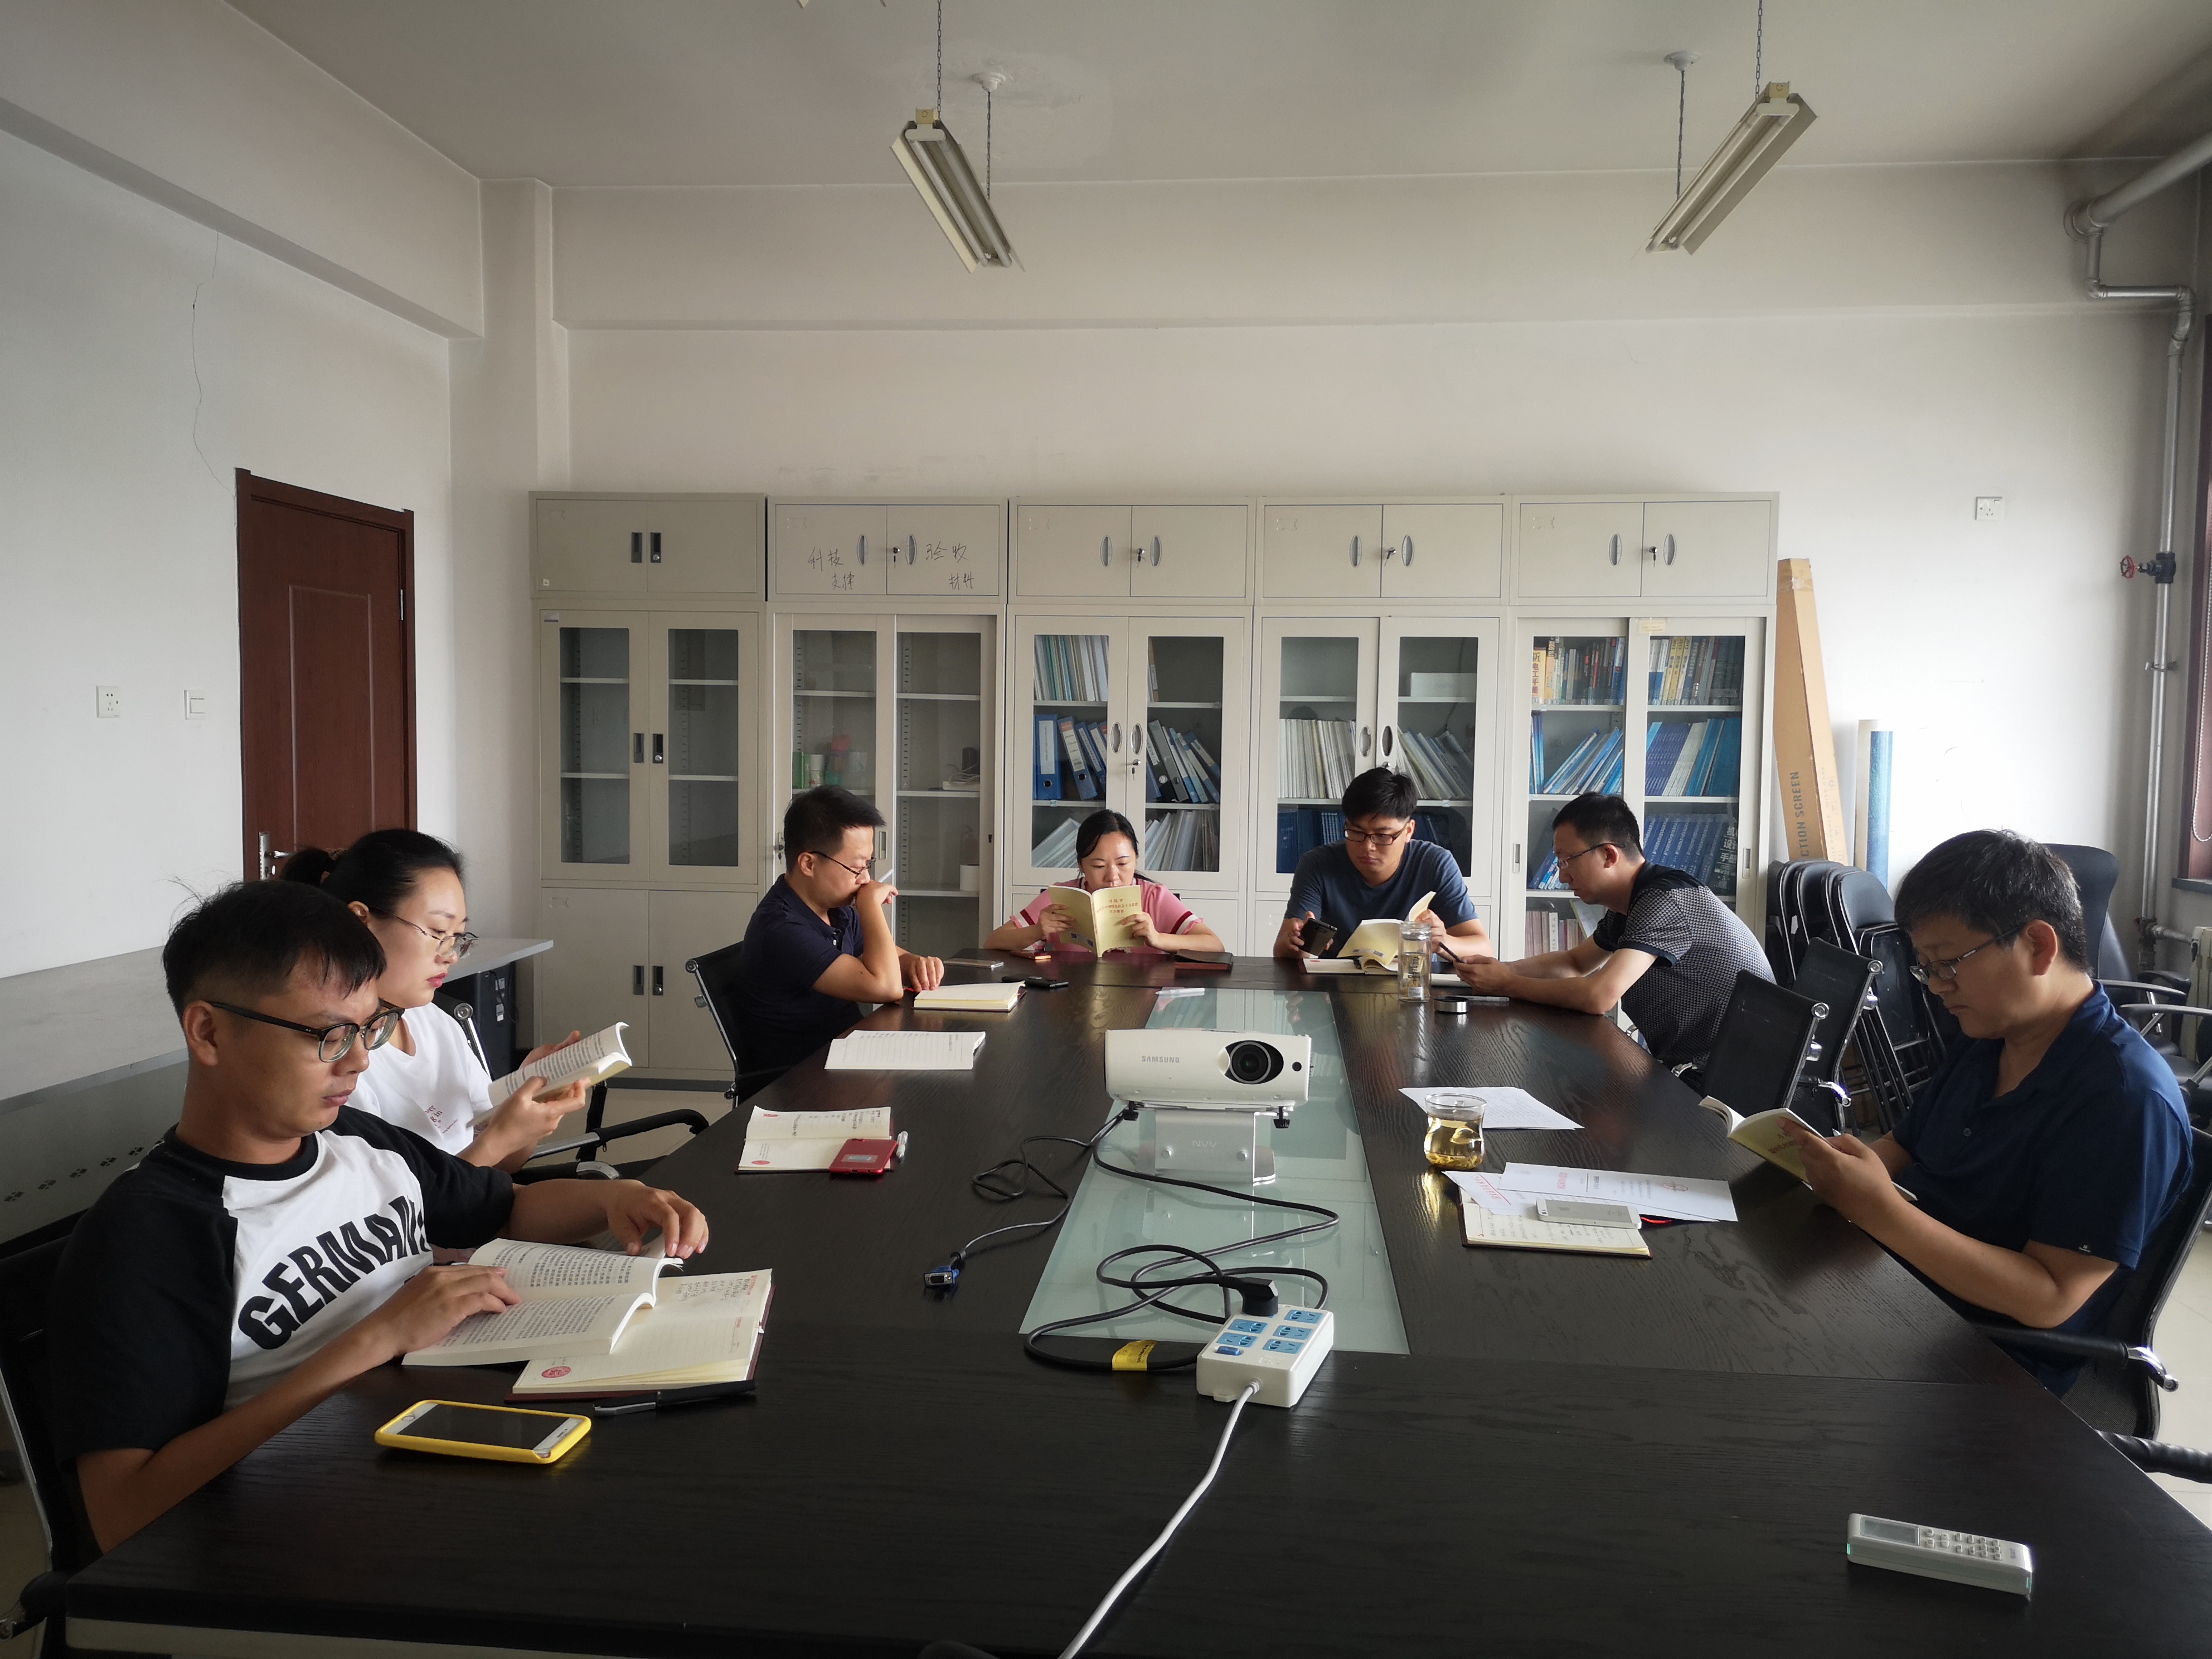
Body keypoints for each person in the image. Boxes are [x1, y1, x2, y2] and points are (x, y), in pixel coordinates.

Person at [48, 880, 710, 1551]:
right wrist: (378, 1337)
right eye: (330, 1035)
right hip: (296, 1529)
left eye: (369, 1029)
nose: (361, 1061)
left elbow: (505, 1209)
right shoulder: (151, 1233)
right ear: (209, 1031)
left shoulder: (357, 1141)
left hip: (428, 1450)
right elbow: (123, 1512)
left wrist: (615, 1198)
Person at [1777, 830, 2192, 1389]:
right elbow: (1903, 1146)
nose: (1935, 987)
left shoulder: (2122, 1099)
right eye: (1926, 967)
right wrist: (1846, 1170)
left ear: (2038, 947)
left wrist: (1878, 1210)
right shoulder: (1990, 1037)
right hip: (1898, 1294)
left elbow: (2048, 1296)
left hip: (1986, 1367)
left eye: (1948, 963)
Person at [280, 830, 585, 1170]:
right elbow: (400, 1204)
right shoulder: (336, 1058)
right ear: (361, 922)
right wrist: (501, 1138)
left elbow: (499, 1169)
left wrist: (528, 1102)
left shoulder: (433, 1021)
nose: (450, 955)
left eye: (457, 937)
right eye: (438, 932)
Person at [1452, 792, 1769, 1074]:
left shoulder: (1666, 900)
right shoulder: (1631, 902)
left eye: (1567, 861)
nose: (1562, 877)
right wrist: (1502, 969)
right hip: (1691, 1067)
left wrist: (1506, 984)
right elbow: (1575, 963)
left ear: (1609, 855)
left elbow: (1599, 996)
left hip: (1730, 1077)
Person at [732, 786, 944, 1071]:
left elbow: (894, 961)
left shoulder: (836, 909)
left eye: (868, 864)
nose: (866, 878)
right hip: (800, 1079)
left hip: (846, 1053)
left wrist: (918, 965)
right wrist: (870, 905)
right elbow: (887, 987)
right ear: (809, 864)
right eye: (857, 868)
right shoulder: (782, 929)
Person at [1272, 767, 1490, 964]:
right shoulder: (1317, 864)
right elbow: (1283, 952)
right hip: (1334, 987)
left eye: (1382, 836)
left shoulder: (1435, 864)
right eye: (1356, 832)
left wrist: (1443, 943)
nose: (1368, 847)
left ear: (1409, 831)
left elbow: (1484, 949)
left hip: (1410, 983)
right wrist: (1298, 942)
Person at [987, 810, 1226, 955]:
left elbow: (1214, 945)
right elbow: (993, 942)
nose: (1113, 877)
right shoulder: (1062, 897)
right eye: (1099, 866)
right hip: (1073, 1001)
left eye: (1123, 864)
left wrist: (1158, 938)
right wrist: (1037, 931)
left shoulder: (1154, 897)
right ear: (1081, 865)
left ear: (1136, 859)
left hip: (1142, 1002)